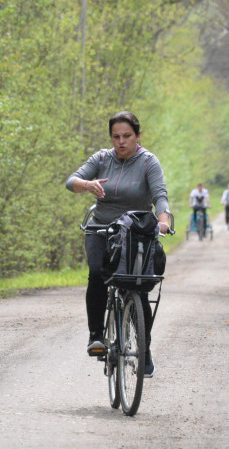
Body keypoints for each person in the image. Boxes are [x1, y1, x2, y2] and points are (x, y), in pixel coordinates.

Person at [66, 111, 171, 378]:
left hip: (136, 231)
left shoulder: (148, 162)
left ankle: (144, 350)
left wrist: (164, 221)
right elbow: (71, 181)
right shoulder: (102, 158)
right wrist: (87, 185)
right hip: (101, 229)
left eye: (127, 136)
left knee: (137, 284)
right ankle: (96, 336)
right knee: (98, 274)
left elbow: (160, 196)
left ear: (138, 136)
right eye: (116, 137)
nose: (121, 142)